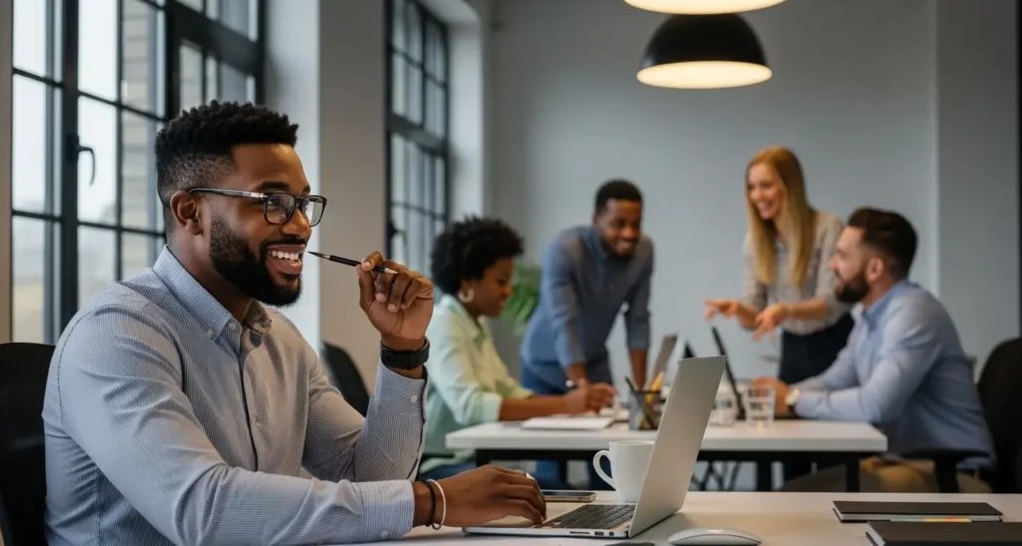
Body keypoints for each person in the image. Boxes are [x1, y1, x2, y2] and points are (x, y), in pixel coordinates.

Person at [42, 101, 545, 546]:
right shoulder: (116, 334)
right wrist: (431, 502)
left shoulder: (279, 340)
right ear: (191, 211)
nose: (301, 226)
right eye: (273, 202)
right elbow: (202, 511)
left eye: (303, 203)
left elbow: (372, 479)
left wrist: (402, 348)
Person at [751, 207, 995, 493]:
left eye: (842, 256)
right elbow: (835, 379)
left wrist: (793, 400)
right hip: (901, 463)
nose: (831, 265)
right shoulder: (870, 316)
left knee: (794, 507)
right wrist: (779, 396)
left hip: (950, 474)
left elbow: (877, 405)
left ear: (875, 269)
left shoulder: (913, 314)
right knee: (787, 498)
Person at [419, 217, 616, 488]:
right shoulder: (444, 323)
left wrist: (574, 404)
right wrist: (565, 405)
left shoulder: (472, 321)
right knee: (551, 489)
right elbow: (471, 406)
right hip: (440, 465)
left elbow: (507, 389)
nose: (509, 291)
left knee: (556, 488)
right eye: (501, 281)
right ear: (467, 282)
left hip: (473, 458)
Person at [519, 179, 653, 487]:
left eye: (636, 224)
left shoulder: (644, 251)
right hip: (542, 366)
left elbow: (638, 319)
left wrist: (641, 393)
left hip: (594, 361)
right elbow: (563, 320)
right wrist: (580, 390)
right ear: (596, 221)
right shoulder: (564, 250)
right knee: (552, 475)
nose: (629, 234)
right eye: (619, 224)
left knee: (608, 466)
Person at [705, 146, 854, 385]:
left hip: (836, 343)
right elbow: (756, 318)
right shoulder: (754, 241)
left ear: (790, 186)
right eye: (752, 187)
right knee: (790, 418)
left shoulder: (827, 228)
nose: (757, 196)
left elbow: (833, 302)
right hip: (793, 348)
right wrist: (738, 310)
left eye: (766, 185)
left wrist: (787, 311)